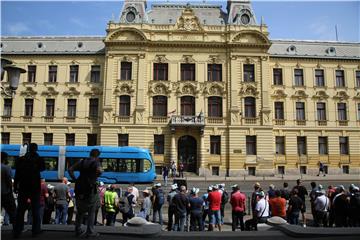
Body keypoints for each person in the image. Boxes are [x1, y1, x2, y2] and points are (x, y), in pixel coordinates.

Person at [14, 143, 45, 238]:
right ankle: (35, 231)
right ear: (36, 149)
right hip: (35, 187)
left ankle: (17, 231)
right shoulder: (39, 159)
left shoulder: (21, 159)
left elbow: (17, 174)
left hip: (23, 187)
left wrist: (15, 186)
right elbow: (43, 168)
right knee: (36, 210)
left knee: (20, 210)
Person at [69, 148, 102, 238]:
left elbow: (70, 169)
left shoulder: (82, 161)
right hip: (90, 188)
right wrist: (95, 176)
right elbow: (100, 171)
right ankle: (90, 231)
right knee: (92, 210)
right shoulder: (96, 162)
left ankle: (78, 230)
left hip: (79, 187)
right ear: (97, 155)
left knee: (80, 211)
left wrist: (75, 179)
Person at [1, 152, 16, 232]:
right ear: (4, 158)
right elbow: (9, 182)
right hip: (5, 193)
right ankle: (16, 232)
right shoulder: (6, 168)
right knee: (13, 212)